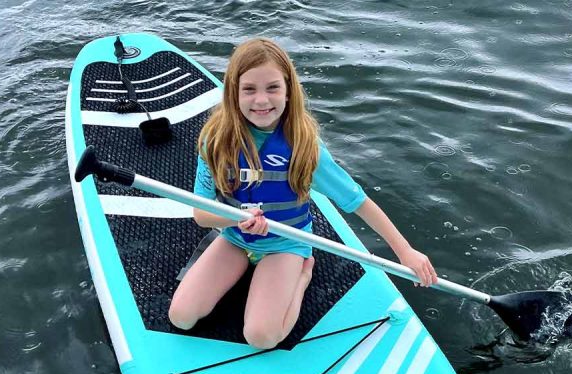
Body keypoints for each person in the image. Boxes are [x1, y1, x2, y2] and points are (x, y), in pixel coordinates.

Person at [168, 38, 438, 349]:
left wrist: (405, 252)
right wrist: (236, 219)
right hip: (235, 238)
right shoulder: (214, 141)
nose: (261, 100)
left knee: (261, 337)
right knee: (181, 316)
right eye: (249, 89)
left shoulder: (305, 146)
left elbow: (357, 201)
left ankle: (302, 275)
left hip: (285, 243)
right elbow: (201, 215)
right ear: (233, 92)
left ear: (288, 91)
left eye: (272, 88)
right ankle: (247, 269)